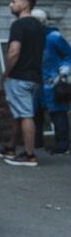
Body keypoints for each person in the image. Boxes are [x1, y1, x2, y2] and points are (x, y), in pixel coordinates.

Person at [0, 0, 45, 167]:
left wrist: (6, 72)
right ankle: (11, 148)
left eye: (14, 1)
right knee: (19, 114)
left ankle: (30, 155)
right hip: (34, 77)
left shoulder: (19, 25)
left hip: (19, 77)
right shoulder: (39, 26)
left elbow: (14, 51)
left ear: (25, 4)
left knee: (25, 115)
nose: (11, 4)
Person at [32, 9, 71, 155]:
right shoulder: (32, 38)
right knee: (35, 113)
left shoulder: (54, 37)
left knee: (58, 113)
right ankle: (37, 142)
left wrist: (63, 71)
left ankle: (63, 146)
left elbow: (69, 55)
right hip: (36, 81)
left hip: (53, 81)